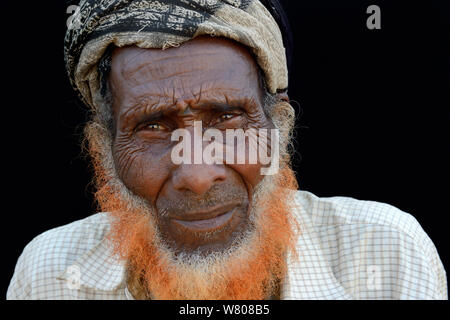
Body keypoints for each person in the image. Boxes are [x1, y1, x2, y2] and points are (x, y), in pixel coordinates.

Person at [7, 0, 447, 300]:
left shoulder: (386, 253)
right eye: (154, 126)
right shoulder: (50, 273)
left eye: (227, 118)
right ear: (104, 149)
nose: (197, 174)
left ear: (280, 129)